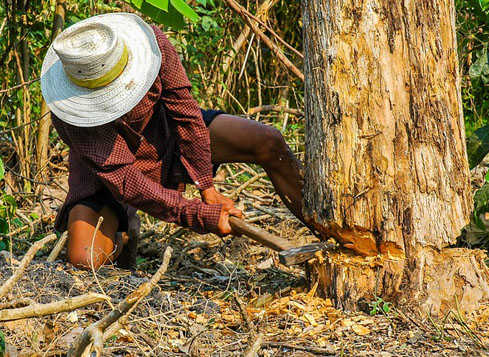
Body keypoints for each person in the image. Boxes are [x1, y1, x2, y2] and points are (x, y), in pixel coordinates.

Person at [41, 13, 305, 270]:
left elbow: (188, 117)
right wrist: (199, 215)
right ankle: (123, 227)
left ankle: (330, 230)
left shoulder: (153, 46)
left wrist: (207, 188)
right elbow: (124, 180)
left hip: (167, 136)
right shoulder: (69, 116)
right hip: (109, 174)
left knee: (267, 141)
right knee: (84, 259)